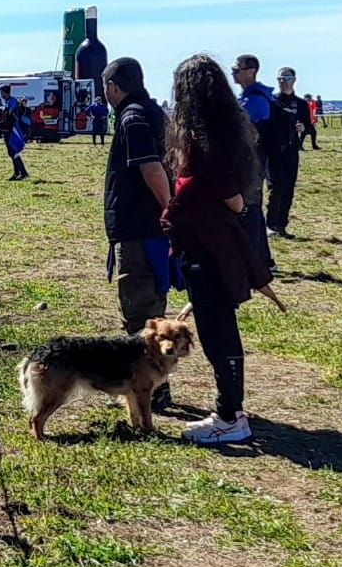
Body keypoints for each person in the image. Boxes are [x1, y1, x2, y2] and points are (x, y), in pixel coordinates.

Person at [161, 54, 282, 446]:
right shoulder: (225, 129)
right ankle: (231, 410)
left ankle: (230, 415)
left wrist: (207, 198)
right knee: (217, 325)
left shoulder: (200, 137)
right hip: (214, 240)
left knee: (217, 330)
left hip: (207, 243)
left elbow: (224, 189)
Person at [101, 58, 176, 411]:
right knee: (150, 303)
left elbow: (152, 168)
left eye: (106, 88)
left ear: (113, 86)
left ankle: (150, 389)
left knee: (140, 308)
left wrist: (169, 209)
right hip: (147, 226)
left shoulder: (132, 117)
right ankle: (151, 385)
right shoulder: (153, 112)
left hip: (142, 227)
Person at [230, 54, 274, 269]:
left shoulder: (256, 100)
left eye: (236, 69)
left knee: (250, 208)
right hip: (250, 161)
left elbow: (242, 130)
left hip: (253, 162)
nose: (233, 73)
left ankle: (256, 260)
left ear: (251, 71)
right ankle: (262, 258)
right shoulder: (250, 97)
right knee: (251, 207)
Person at [268, 67, 313, 239]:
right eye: (280, 78)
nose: (282, 81)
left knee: (288, 189)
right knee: (276, 188)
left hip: (291, 151)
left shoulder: (301, 104)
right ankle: (270, 225)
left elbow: (308, 125)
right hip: (273, 152)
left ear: (294, 80)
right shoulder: (272, 101)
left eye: (286, 78)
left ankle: (282, 225)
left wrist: (303, 128)